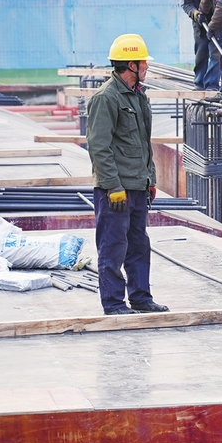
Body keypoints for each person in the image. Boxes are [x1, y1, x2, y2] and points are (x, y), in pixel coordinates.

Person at [86, 34, 170, 316]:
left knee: (138, 245)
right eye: (143, 62)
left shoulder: (137, 96)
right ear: (131, 65)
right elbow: (99, 146)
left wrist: (151, 179)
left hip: (137, 186)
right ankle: (113, 303)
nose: (147, 66)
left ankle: (141, 298)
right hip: (116, 190)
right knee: (113, 247)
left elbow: (143, 143)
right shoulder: (106, 98)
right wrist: (112, 186)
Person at [171, 0, 222, 91]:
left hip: (216, 20)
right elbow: (186, 3)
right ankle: (199, 84)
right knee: (201, 52)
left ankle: (212, 85)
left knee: (215, 52)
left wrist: (212, 16)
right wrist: (195, 14)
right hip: (199, 22)